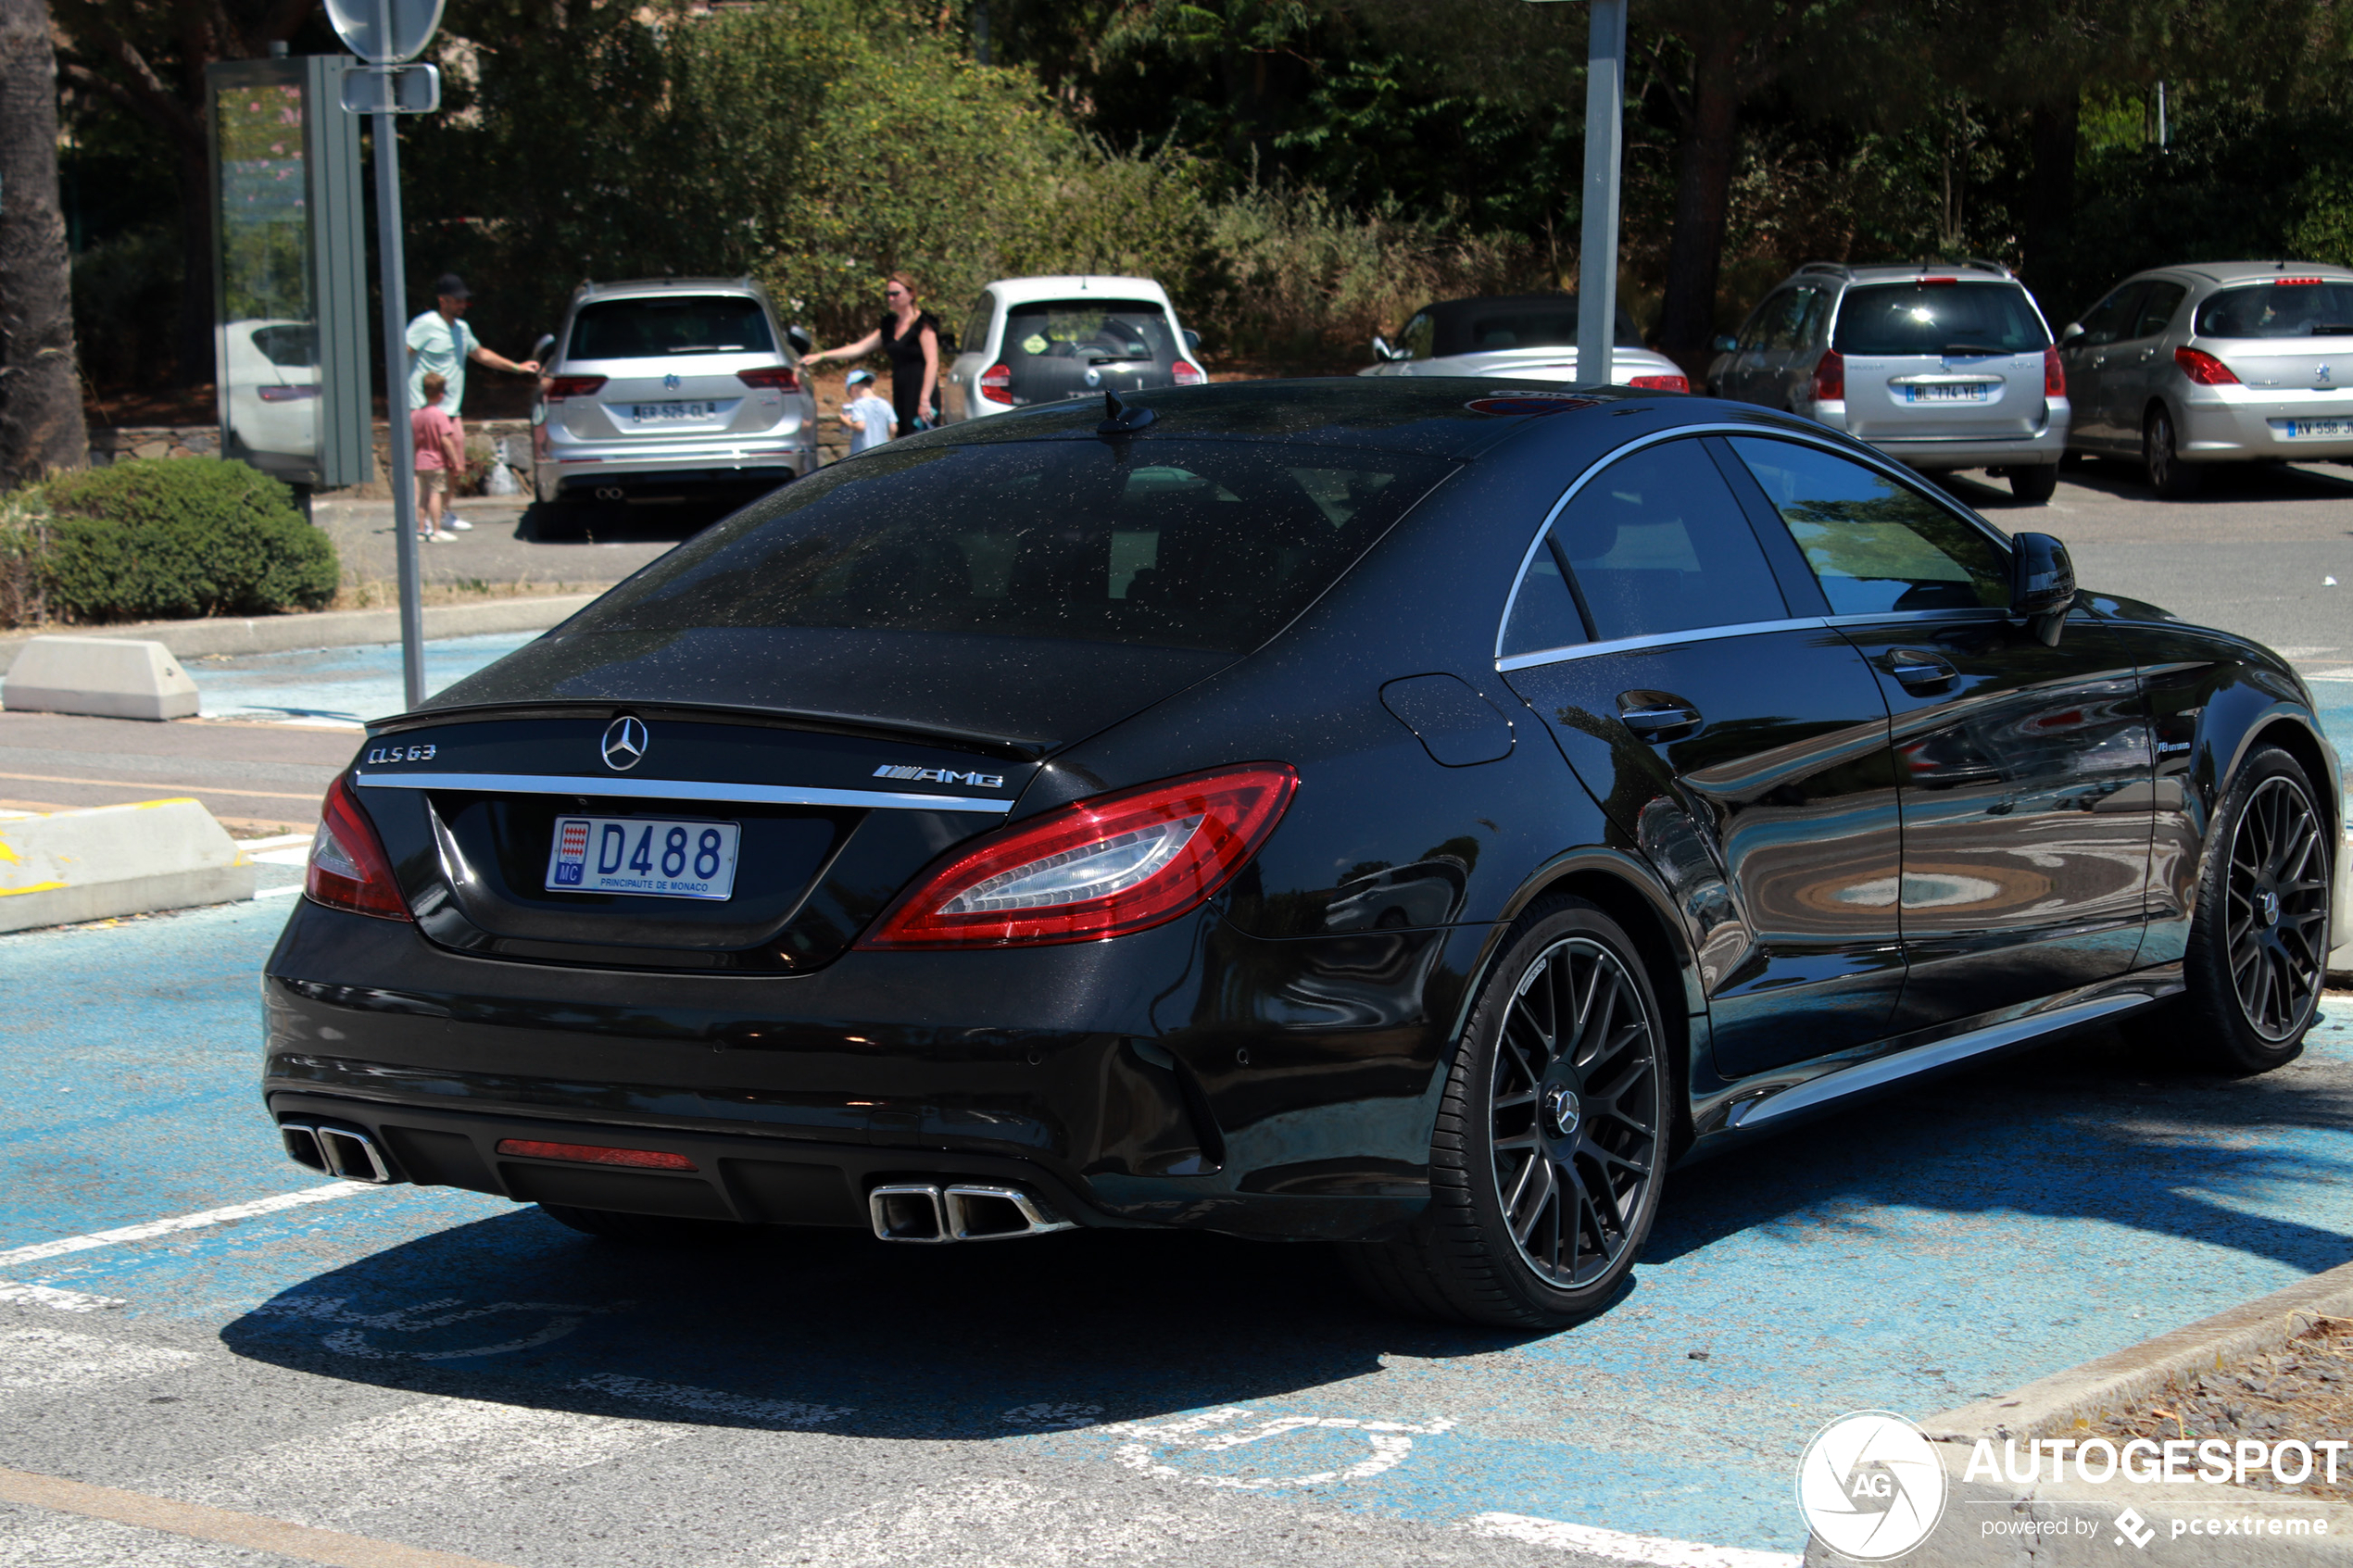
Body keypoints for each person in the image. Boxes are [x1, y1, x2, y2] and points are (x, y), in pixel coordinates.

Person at [406, 272, 539, 531]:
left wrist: (517, 367)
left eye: (464, 301)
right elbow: (401, 352)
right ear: (442, 300)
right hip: (423, 410)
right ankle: (418, 523)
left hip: (451, 410)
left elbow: (480, 354)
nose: (462, 305)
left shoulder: (462, 329)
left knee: (455, 465)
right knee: (425, 467)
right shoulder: (424, 324)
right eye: (457, 300)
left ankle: (443, 514)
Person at [804, 271, 940, 433]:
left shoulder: (923, 324)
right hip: (901, 390)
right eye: (888, 294)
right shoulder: (889, 325)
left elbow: (932, 363)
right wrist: (822, 356)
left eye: (896, 294)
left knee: (925, 442)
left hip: (922, 391)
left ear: (911, 294)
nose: (891, 298)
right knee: (905, 442)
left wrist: (924, 400)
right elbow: (859, 348)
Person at [410, 372, 466, 544]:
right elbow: (446, 441)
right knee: (435, 494)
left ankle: (420, 529)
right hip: (436, 462)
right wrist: (456, 461)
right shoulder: (440, 415)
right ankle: (436, 530)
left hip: (420, 461)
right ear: (441, 394)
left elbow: (412, 440)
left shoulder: (415, 415)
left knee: (422, 497)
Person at [838, 368, 897, 454]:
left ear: (853, 389)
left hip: (863, 454)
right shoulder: (885, 404)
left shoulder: (859, 404)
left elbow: (860, 426)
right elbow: (893, 429)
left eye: (850, 395)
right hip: (882, 453)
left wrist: (846, 421)